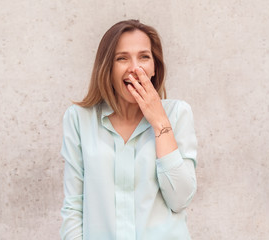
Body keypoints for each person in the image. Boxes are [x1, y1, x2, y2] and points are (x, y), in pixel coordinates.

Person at [60, 19, 198, 240]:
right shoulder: (79, 119)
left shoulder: (178, 114)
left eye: (144, 57)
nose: (135, 68)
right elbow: (74, 207)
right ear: (107, 67)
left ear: (154, 67)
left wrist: (160, 122)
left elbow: (180, 199)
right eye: (122, 58)